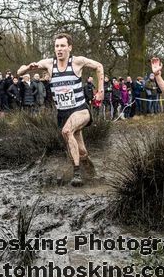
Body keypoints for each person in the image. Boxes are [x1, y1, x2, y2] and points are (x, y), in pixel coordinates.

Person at [17, 33, 103, 186]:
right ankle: (92, 173)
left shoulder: (77, 62)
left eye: (63, 46)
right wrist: (27, 68)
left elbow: (99, 66)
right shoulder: (49, 64)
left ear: (69, 47)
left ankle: (76, 174)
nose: (59, 49)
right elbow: (19, 72)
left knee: (67, 131)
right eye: (57, 46)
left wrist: (100, 91)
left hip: (80, 110)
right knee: (81, 150)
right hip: (63, 113)